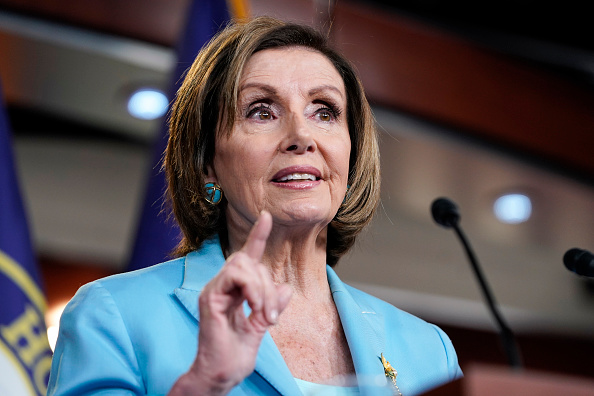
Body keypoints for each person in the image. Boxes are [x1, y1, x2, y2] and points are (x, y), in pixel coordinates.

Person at [48, 16, 462, 396]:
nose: (301, 136)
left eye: (325, 111)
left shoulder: (429, 351)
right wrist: (201, 386)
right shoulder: (114, 316)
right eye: (261, 112)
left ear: (351, 156)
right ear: (207, 161)